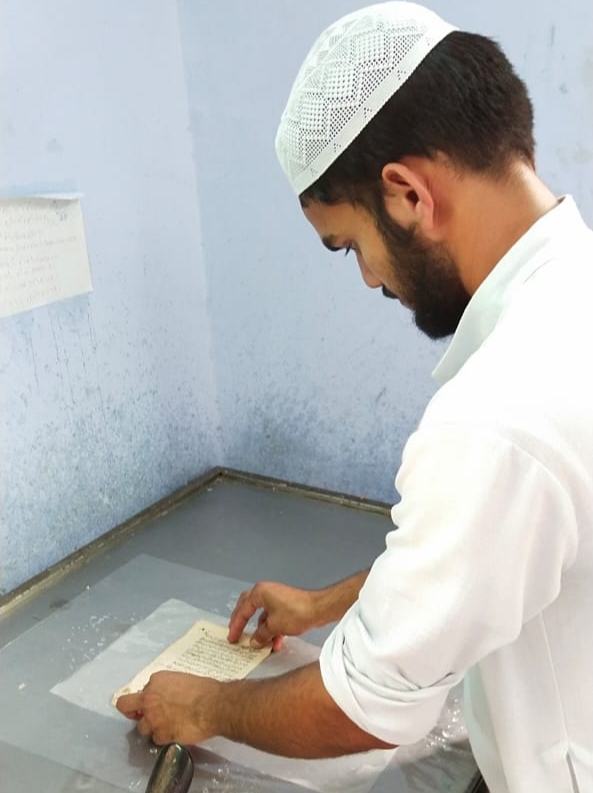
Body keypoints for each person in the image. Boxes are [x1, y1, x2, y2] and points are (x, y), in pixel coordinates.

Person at [116, 3, 593, 791]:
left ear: (405, 193)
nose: (370, 278)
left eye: (348, 246)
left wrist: (206, 705)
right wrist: (323, 605)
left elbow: (364, 707)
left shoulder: (497, 414)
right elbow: (495, 555)